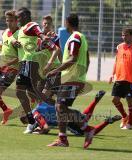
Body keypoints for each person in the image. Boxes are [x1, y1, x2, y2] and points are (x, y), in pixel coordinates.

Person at [46, 13, 96, 148]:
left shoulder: (75, 38)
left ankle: (87, 128)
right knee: (60, 107)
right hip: (73, 79)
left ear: (68, 22)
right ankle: (62, 139)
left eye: (65, 22)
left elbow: (73, 58)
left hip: (72, 79)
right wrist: (82, 77)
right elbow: (88, 59)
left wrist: (56, 70)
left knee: (60, 107)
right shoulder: (82, 37)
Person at [14, 7, 61, 130]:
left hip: (33, 65)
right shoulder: (22, 31)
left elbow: (55, 49)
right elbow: (38, 47)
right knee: (35, 95)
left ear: (24, 17)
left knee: (28, 92)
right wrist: (16, 44)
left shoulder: (31, 25)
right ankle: (39, 118)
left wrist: (43, 36)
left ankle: (37, 119)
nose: (17, 20)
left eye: (18, 17)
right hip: (31, 65)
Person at [21, 90, 121, 136]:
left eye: (27, 122)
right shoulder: (40, 105)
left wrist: (37, 132)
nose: (31, 124)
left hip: (68, 121)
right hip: (68, 111)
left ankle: (107, 122)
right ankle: (95, 101)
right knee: (84, 118)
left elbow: (46, 128)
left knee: (89, 132)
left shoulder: (36, 114)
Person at [109, 28, 132, 130]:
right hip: (119, 79)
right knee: (115, 100)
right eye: (122, 35)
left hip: (131, 80)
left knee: (129, 100)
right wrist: (112, 74)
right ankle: (125, 117)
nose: (123, 37)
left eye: (126, 35)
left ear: (131, 36)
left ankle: (130, 124)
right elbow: (116, 61)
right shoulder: (119, 47)